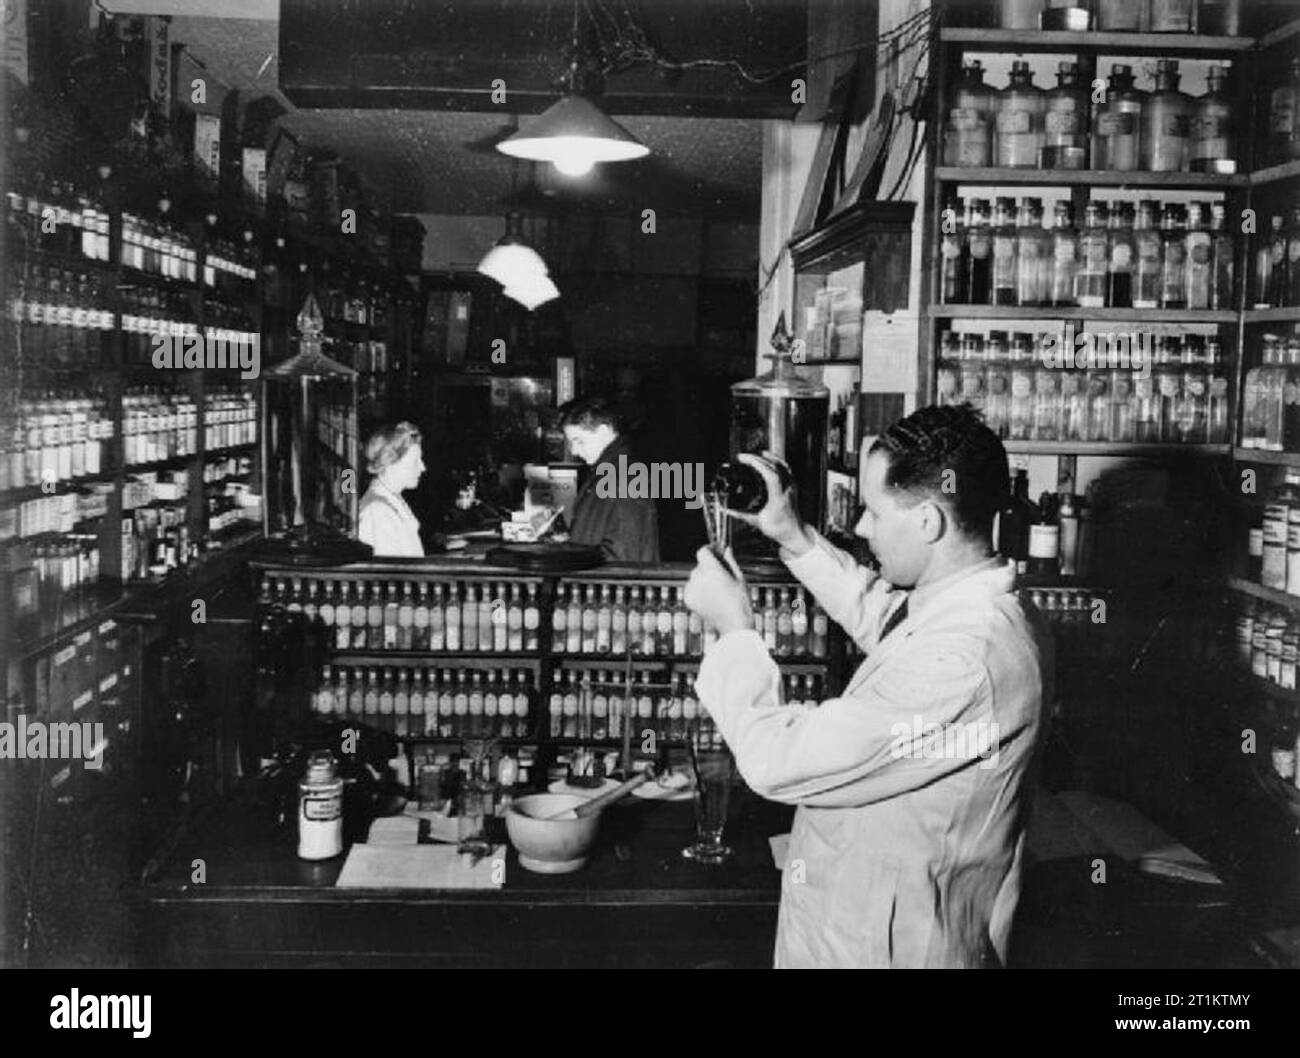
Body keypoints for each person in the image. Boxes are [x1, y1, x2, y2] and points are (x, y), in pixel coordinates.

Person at [683, 404, 1053, 968]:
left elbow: (775, 761)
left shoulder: (966, 657)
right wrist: (795, 537)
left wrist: (735, 629)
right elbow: (885, 619)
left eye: (874, 513)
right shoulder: (968, 608)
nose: (859, 527)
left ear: (929, 521)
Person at [558, 396, 659, 563]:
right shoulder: (609, 471)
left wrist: (565, 558)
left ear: (604, 432)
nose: (574, 450)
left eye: (579, 441)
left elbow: (623, 554)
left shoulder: (625, 476)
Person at [358, 421, 426, 557]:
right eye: (415, 461)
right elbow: (390, 573)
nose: (422, 467)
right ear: (389, 461)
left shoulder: (392, 498)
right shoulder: (377, 511)